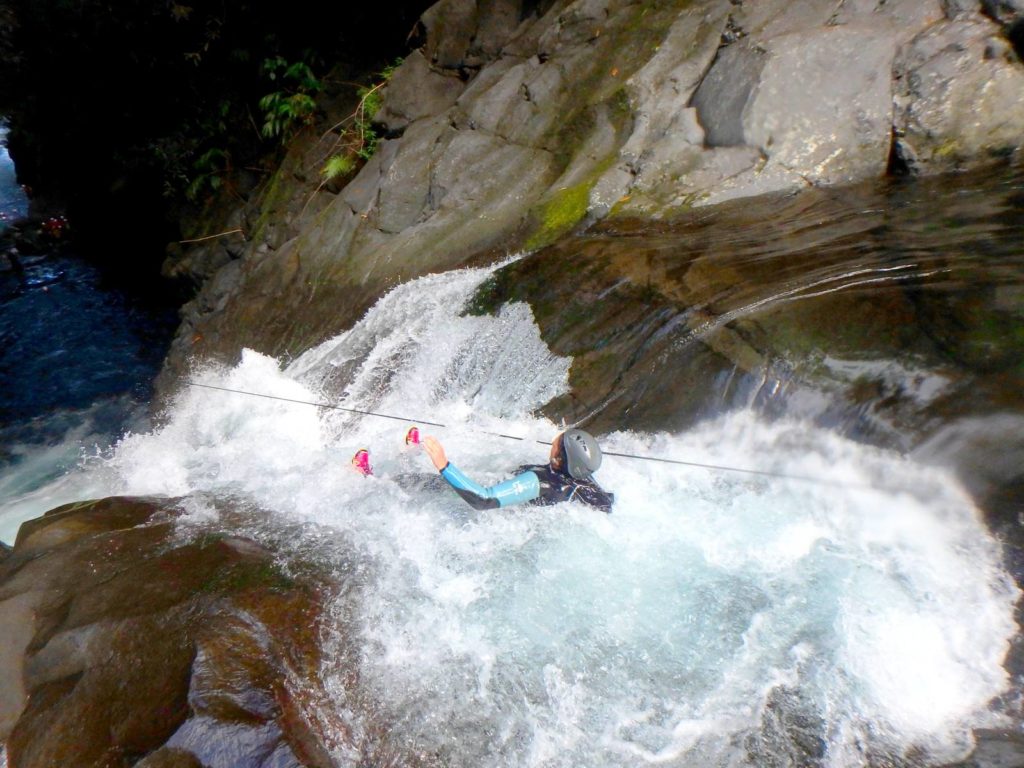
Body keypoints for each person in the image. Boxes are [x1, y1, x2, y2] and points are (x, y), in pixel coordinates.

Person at [421, 428, 614, 513]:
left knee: (429, 484)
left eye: (561, 439)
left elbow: (483, 500)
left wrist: (443, 464)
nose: (557, 437)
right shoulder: (585, 479)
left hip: (502, 509)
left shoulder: (538, 482)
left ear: (558, 459)